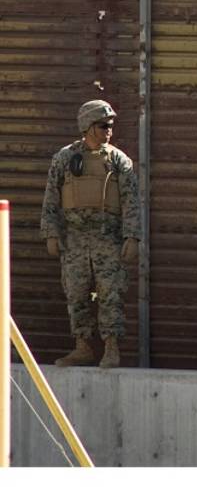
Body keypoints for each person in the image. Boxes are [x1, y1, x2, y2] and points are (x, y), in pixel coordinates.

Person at [40, 100, 141, 369]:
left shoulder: (119, 161)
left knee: (111, 294)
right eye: (103, 125)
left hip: (108, 238)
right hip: (74, 239)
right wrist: (51, 233)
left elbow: (132, 201)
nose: (109, 130)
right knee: (76, 293)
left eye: (110, 125)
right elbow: (51, 197)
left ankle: (111, 347)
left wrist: (132, 236)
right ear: (87, 126)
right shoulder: (64, 158)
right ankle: (82, 347)